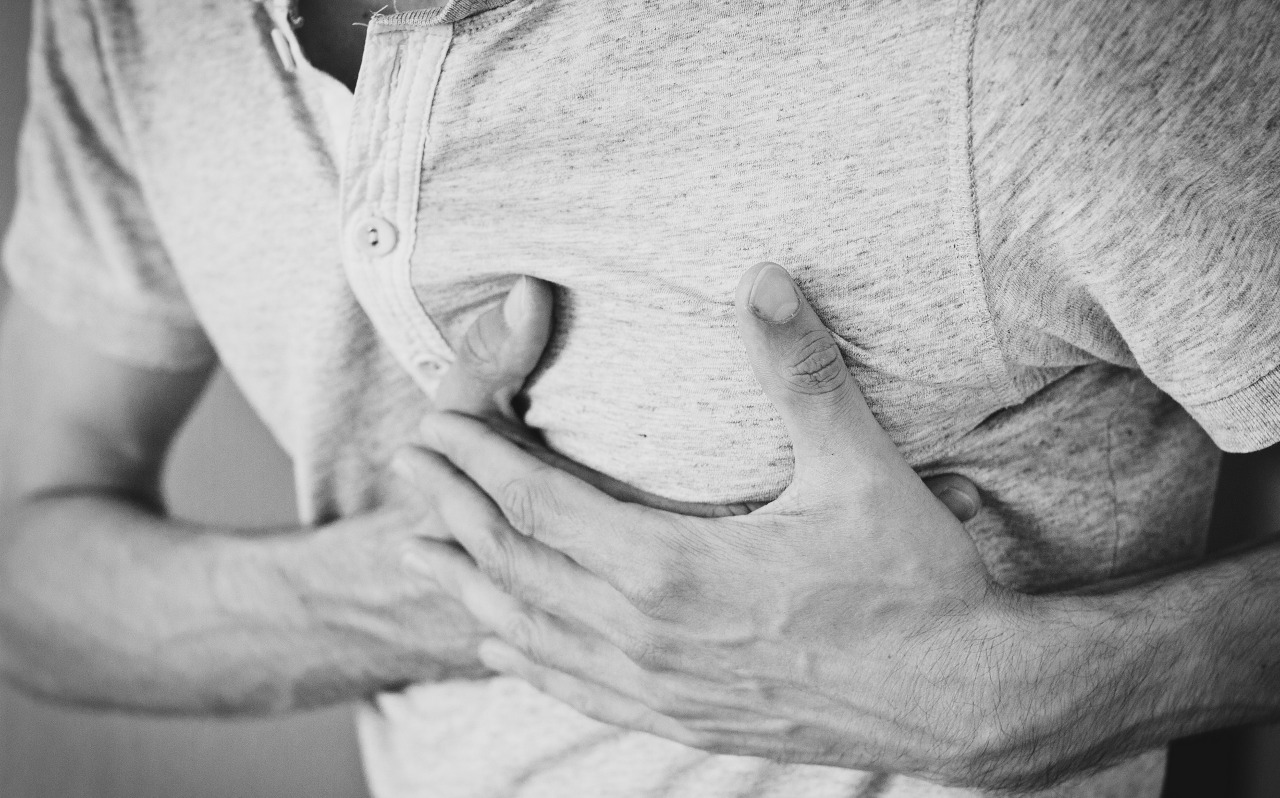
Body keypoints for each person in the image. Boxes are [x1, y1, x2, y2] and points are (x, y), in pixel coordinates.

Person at [0, 0, 1277, 796]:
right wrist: (451, 587)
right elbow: (27, 577)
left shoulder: (1021, 39)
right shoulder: (138, 27)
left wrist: (1041, 696)